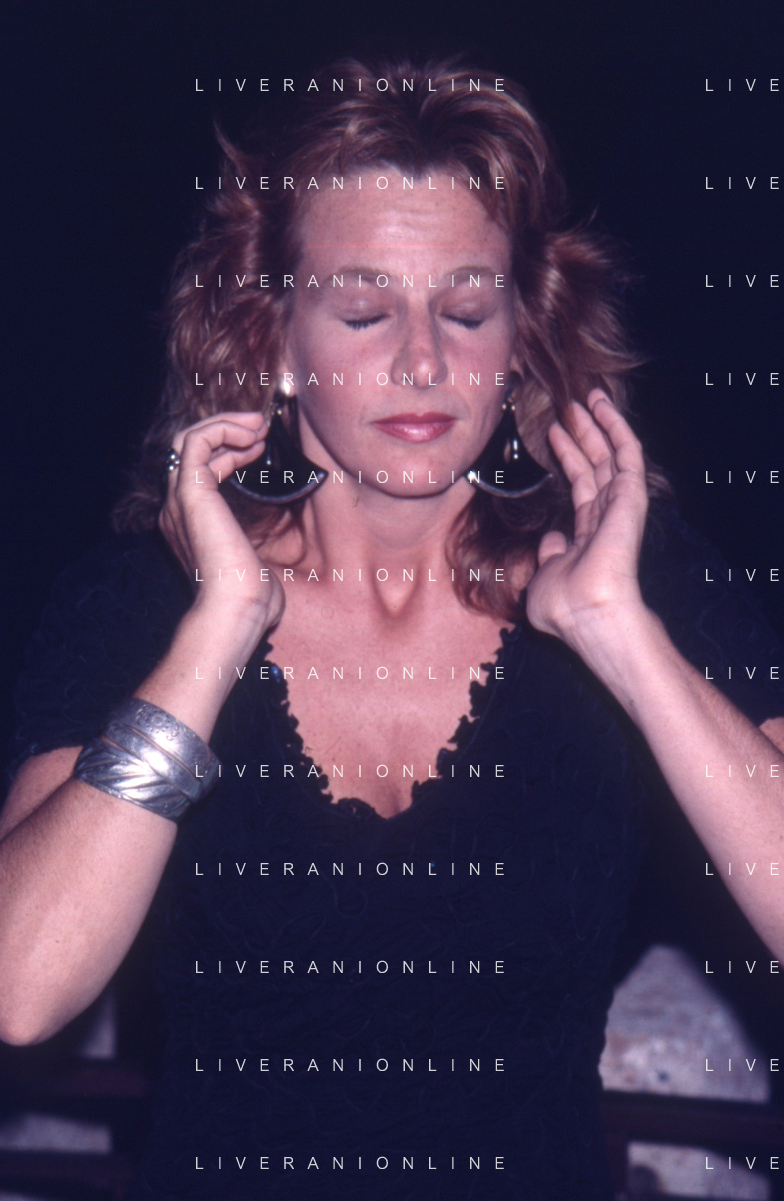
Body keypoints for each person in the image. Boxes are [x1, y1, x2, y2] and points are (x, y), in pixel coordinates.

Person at [1, 56, 783, 1200]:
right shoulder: (144, 600)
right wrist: (217, 633)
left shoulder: (633, 571)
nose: (423, 360)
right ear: (273, 337)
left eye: (466, 309)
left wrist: (622, 636)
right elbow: (22, 988)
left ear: (520, 332)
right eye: (363, 311)